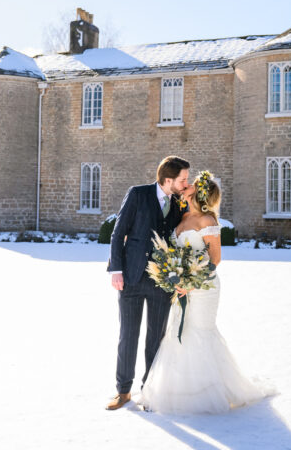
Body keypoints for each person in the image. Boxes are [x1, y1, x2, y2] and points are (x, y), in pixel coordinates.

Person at [139, 171, 268, 414]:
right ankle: (176, 392)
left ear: (198, 194)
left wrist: (191, 282)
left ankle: (205, 393)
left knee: (199, 333)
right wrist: (174, 276)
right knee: (179, 332)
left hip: (204, 287)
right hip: (181, 287)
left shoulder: (207, 221)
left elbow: (215, 259)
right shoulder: (183, 217)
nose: (185, 187)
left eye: (190, 186)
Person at [105, 156, 190, 411]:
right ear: (168, 180)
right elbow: (118, 232)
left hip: (162, 282)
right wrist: (116, 270)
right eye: (183, 179)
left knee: (156, 338)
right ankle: (123, 391)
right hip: (131, 277)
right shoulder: (137, 195)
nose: (186, 183)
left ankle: (150, 391)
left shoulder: (179, 204)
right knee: (127, 335)